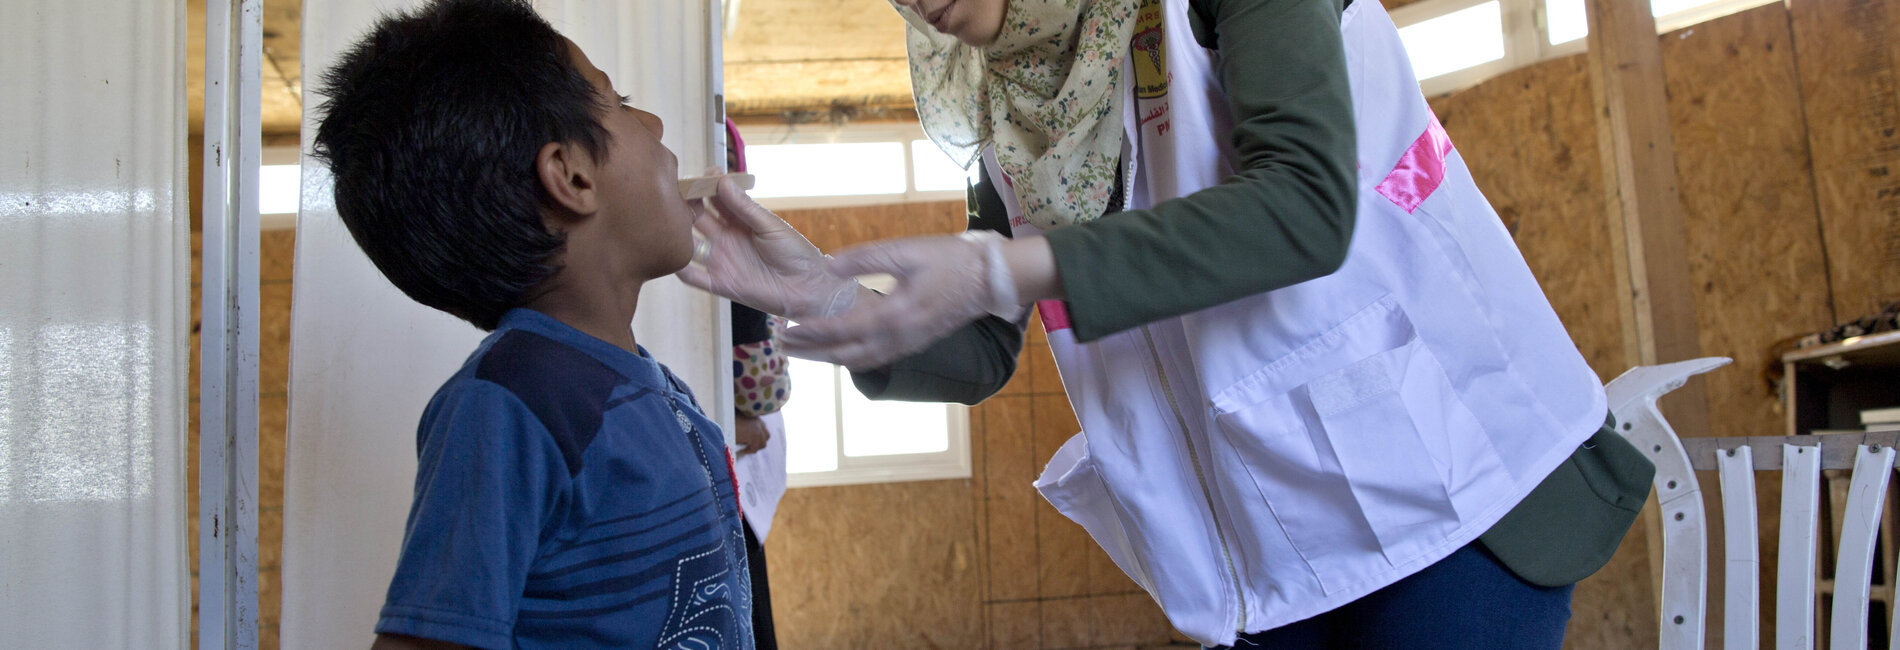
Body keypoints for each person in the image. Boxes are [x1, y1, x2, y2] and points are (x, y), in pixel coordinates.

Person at [679, 0, 1656, 647]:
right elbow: (983, 341)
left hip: (1449, 495)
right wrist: (826, 297)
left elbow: (1307, 206)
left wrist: (1002, 262)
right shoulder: (1018, 108)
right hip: (1272, 555)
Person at [311, 0, 751, 647]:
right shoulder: (507, 402)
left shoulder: (649, 390)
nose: (655, 123)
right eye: (621, 102)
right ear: (571, 176)